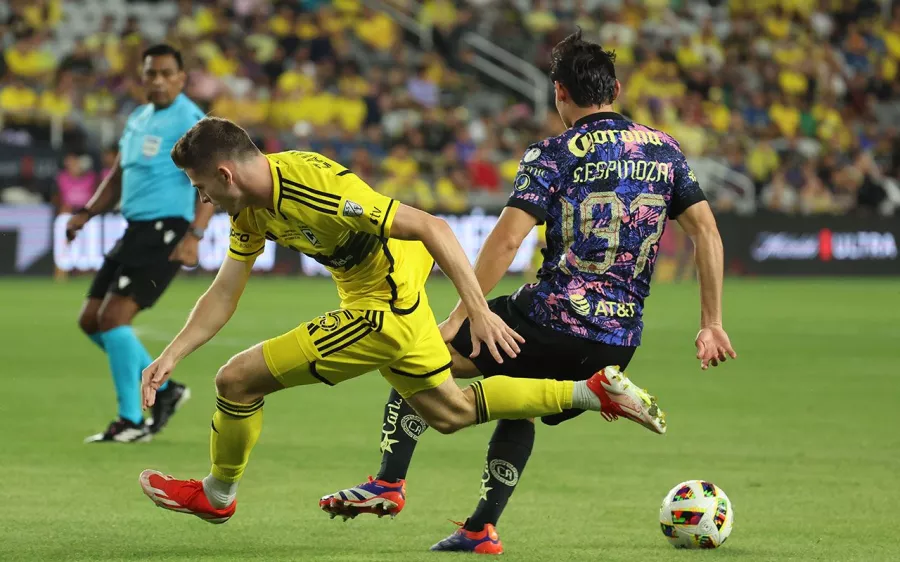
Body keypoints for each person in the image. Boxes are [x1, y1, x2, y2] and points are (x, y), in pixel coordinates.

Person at [318, 30, 737, 554]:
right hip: (619, 340)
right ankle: (480, 529)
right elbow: (706, 233)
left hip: (553, 314)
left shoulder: (555, 152)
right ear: (618, 88)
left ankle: (387, 481)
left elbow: (508, 240)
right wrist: (712, 322)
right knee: (519, 400)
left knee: (418, 357)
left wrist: (460, 315)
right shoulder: (665, 150)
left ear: (560, 93)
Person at [135, 116, 666, 524]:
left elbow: (432, 227)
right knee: (451, 412)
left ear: (225, 173)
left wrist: (476, 314)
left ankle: (217, 495)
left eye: (201, 185)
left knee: (235, 380)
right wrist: (171, 355)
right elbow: (225, 290)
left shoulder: (315, 191)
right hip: (393, 305)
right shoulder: (250, 208)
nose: (201, 197)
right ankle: (591, 392)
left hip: (382, 311)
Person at [66, 44, 211, 443]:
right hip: (134, 230)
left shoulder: (190, 121)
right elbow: (117, 176)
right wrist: (87, 213)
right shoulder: (139, 118)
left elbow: (210, 182)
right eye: (152, 73)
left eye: (167, 73)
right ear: (142, 77)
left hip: (167, 230)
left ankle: (131, 420)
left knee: (113, 319)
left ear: (182, 78)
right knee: (90, 321)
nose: (159, 80)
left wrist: (195, 235)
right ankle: (165, 389)